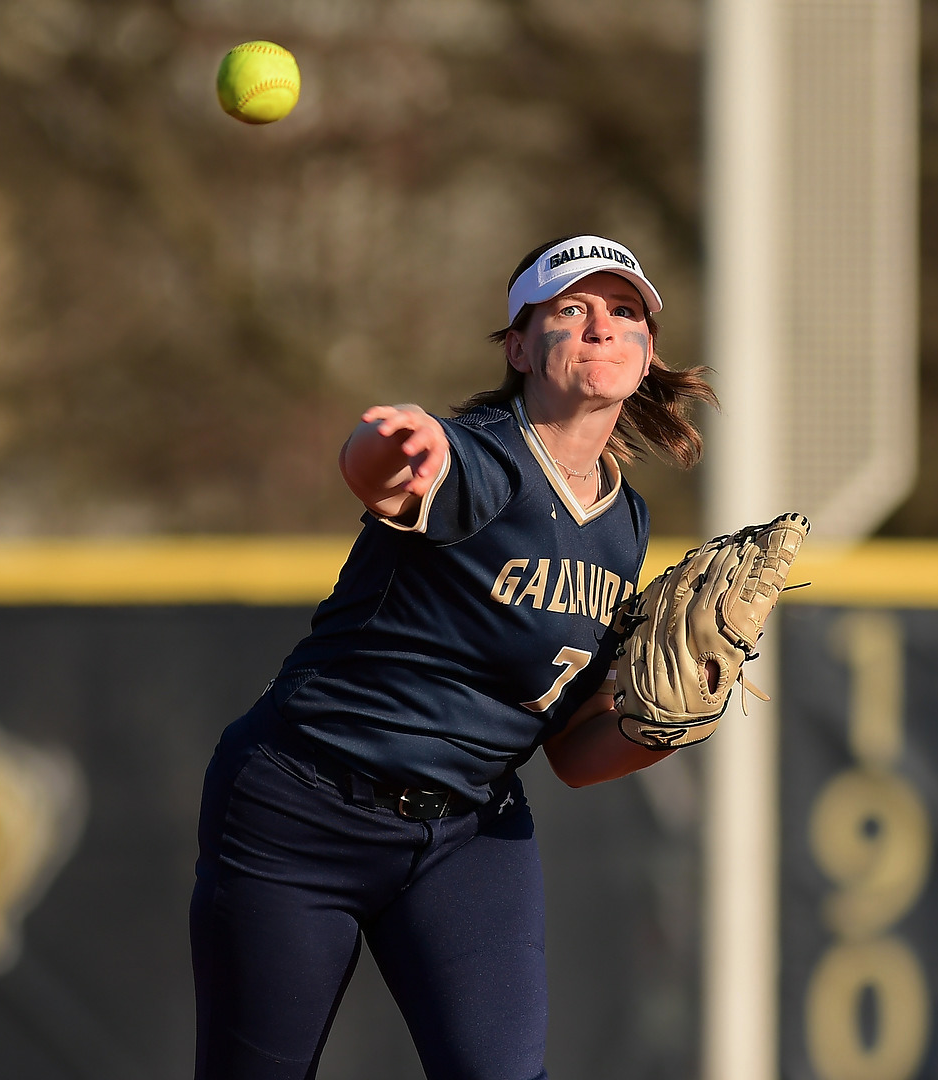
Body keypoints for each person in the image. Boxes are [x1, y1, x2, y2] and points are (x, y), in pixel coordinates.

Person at [189, 235, 718, 1080]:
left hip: (467, 829)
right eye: (570, 309)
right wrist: (397, 441)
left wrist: (673, 721)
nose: (601, 327)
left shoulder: (627, 524)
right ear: (517, 346)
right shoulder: (476, 457)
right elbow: (378, 469)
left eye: (625, 312)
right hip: (304, 805)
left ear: (648, 353)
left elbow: (575, 759)